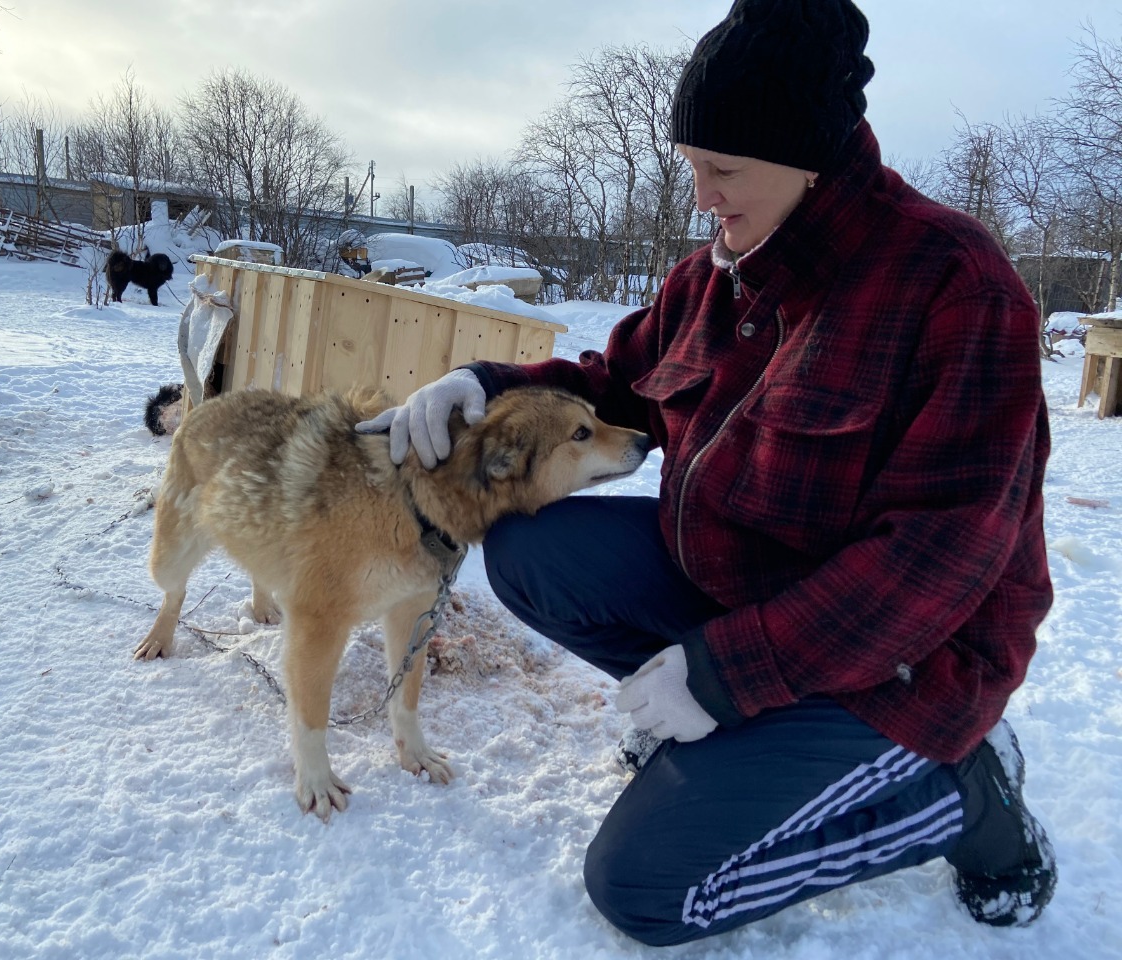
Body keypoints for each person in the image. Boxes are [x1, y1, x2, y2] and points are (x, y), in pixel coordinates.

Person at [357, 0, 1056, 945]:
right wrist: (485, 384)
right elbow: (616, 387)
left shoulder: (954, 286)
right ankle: (747, 737)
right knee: (528, 544)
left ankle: (955, 790)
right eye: (693, 166)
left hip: (905, 660)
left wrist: (728, 672)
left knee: (649, 890)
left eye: (723, 169)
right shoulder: (713, 275)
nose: (703, 196)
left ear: (812, 156)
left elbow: (941, 560)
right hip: (745, 591)